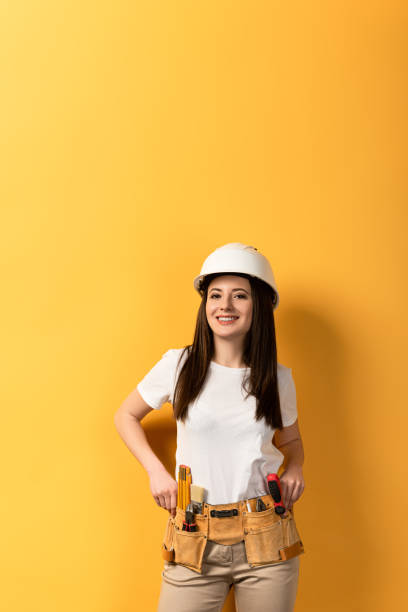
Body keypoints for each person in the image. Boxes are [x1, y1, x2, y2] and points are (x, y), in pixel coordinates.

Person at [114, 242, 306, 612]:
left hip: (267, 531)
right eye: (215, 295)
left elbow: (292, 440)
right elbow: (125, 416)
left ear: (259, 307)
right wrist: (156, 472)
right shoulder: (179, 365)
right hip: (192, 530)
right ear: (205, 305)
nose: (225, 306)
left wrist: (295, 466)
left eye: (239, 296)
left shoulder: (277, 379)